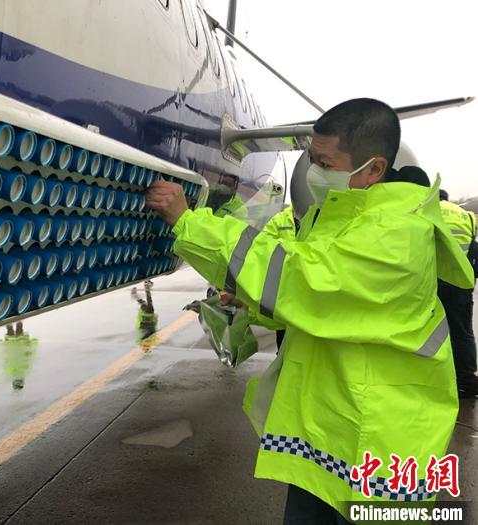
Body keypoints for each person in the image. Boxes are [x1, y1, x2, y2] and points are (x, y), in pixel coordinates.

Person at [146, 98, 474, 523]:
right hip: (333, 429)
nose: (314, 172)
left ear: (373, 169)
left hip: (384, 440)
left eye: (324, 162)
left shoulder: (397, 233)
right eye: (311, 159)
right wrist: (251, 302)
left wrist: (190, 223)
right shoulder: (342, 217)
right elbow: (309, 303)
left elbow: (300, 279)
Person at [437, 189, 478, 397]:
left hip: (435, 279)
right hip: (461, 281)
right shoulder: (467, 216)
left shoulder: (430, 210)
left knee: (430, 331)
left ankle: (436, 378)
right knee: (463, 332)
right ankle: (468, 379)